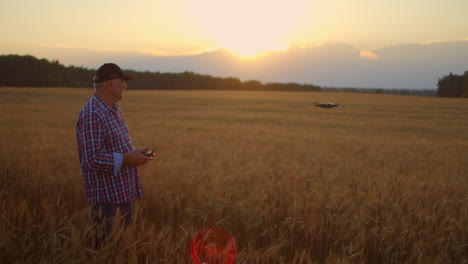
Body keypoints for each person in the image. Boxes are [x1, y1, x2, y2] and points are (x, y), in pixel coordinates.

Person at [76, 63, 153, 247]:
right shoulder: (92, 114)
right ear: (111, 84)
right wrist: (127, 159)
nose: (125, 86)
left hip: (123, 193)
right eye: (122, 82)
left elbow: (116, 147)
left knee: (122, 248)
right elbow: (91, 159)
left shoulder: (114, 110)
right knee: (105, 249)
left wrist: (135, 154)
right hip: (107, 200)